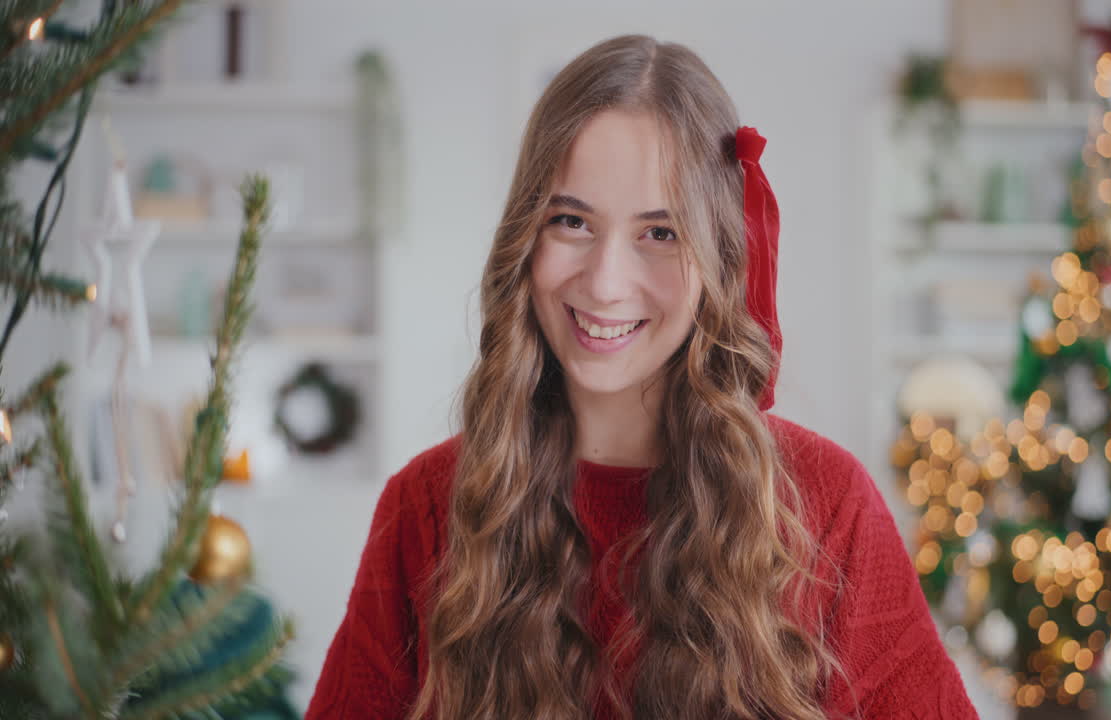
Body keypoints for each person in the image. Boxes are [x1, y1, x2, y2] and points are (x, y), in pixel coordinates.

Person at [305, 34, 977, 720]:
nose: (605, 282)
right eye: (571, 221)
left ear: (718, 256)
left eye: (661, 233)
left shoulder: (828, 510)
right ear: (525, 240)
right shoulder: (425, 508)